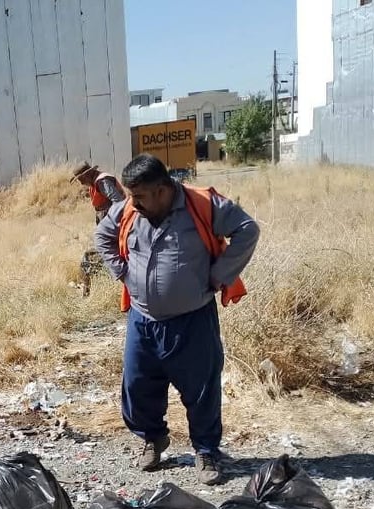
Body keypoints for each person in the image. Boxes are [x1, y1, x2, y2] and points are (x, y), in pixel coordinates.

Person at [94, 154, 260, 483]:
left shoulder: (203, 204)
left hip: (193, 320)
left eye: (139, 197)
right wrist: (123, 273)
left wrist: (220, 274)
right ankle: (153, 440)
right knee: (138, 386)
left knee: (201, 390)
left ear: (161, 190)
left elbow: (247, 230)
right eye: (130, 196)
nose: (133, 204)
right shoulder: (131, 207)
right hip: (143, 320)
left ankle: (207, 452)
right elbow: (103, 236)